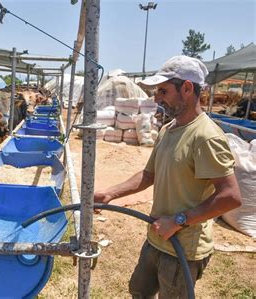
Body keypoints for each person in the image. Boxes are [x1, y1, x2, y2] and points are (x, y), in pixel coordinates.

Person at [94, 55, 242, 298]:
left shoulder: (205, 136)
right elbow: (149, 174)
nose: (156, 98)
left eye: (163, 91)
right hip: (157, 236)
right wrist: (111, 193)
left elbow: (231, 197)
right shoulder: (167, 129)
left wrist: (179, 220)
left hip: (182, 247)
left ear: (186, 88)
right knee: (139, 290)